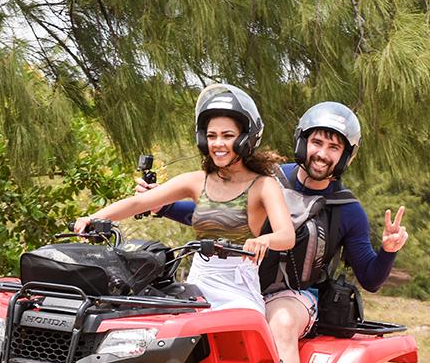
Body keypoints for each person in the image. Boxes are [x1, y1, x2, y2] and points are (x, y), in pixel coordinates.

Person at [138, 102, 409, 363]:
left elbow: (371, 278)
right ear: (302, 141)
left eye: (334, 147)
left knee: (279, 323)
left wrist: (388, 250)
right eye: (317, 142)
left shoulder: (347, 209)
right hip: (236, 284)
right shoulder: (266, 179)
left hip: (295, 297)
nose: (322, 154)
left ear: (346, 156)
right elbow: (217, 215)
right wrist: (162, 204)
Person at [74, 83, 295, 315]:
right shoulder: (196, 181)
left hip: (238, 288)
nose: (218, 143)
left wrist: (265, 240)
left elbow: (286, 236)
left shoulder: (263, 185)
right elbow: (138, 203)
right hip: (197, 286)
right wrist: (93, 218)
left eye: (228, 136)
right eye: (211, 136)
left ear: (245, 139)